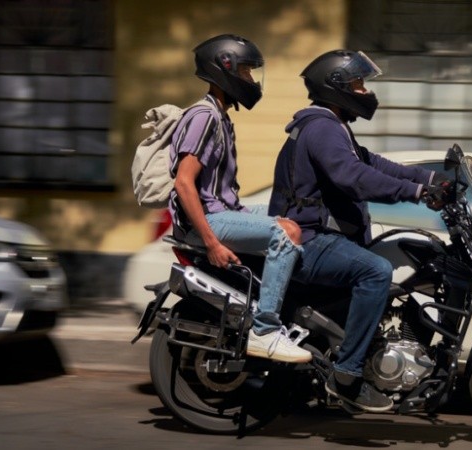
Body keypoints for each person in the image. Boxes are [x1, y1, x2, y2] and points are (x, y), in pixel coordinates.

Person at [268, 49, 449, 411]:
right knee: (376, 270)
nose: (365, 91)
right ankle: (347, 375)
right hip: (308, 240)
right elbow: (353, 178)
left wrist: (430, 178)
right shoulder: (321, 127)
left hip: (320, 237)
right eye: (358, 84)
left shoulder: (334, 127)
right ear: (335, 88)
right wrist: (416, 193)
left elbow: (373, 163)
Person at [168, 34, 311, 363]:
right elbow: (184, 184)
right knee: (284, 231)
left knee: (292, 214)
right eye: (246, 72)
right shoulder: (204, 117)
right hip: (208, 221)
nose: (250, 80)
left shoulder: (220, 115)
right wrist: (212, 242)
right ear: (225, 69)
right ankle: (265, 329)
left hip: (227, 210)